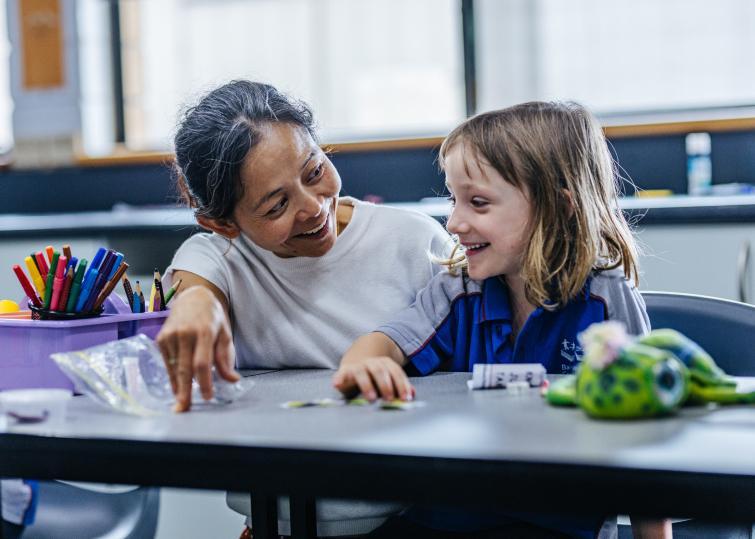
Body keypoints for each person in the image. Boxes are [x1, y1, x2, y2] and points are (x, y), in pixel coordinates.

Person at [334, 101, 671, 538]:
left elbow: (644, 445)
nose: (454, 222)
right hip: (446, 522)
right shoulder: (458, 289)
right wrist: (366, 361)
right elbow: (385, 341)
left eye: (477, 203)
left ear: (559, 206)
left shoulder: (607, 301)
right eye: (454, 200)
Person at [156, 80, 450, 537]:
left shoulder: (414, 241)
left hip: (417, 524)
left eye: (314, 172)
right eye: (277, 205)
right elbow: (195, 287)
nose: (313, 208)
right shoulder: (219, 259)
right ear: (222, 223)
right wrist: (194, 307)